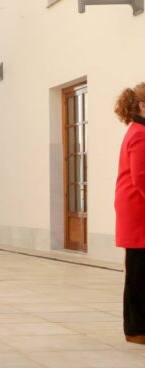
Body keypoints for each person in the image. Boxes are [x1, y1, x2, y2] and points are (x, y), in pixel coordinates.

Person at [114, 83, 145, 345]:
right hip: (139, 214)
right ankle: (136, 330)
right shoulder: (140, 134)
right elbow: (141, 177)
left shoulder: (138, 131)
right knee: (138, 274)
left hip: (136, 212)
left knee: (139, 272)